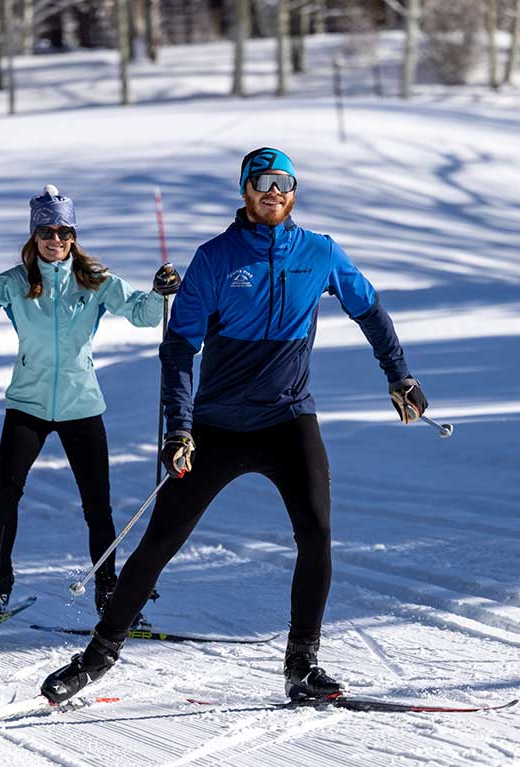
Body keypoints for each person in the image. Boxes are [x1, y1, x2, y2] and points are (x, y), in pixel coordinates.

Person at [39, 148, 428, 705]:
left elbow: (368, 309)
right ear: (245, 190)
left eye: (283, 182)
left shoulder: (320, 253)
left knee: (316, 534)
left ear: (294, 190)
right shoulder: (216, 258)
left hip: (289, 418)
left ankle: (302, 665)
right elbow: (179, 349)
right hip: (215, 428)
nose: (273, 191)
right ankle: (95, 659)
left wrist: (400, 376)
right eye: (261, 181)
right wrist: (179, 427)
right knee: (158, 544)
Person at [0, 185, 182, 620]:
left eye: (64, 231)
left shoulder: (93, 281)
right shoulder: (17, 282)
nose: (56, 240)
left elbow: (143, 315)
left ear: (74, 236)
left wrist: (160, 291)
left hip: (82, 407)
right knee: (6, 495)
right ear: (34, 236)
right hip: (28, 405)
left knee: (98, 507)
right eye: (47, 232)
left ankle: (109, 591)